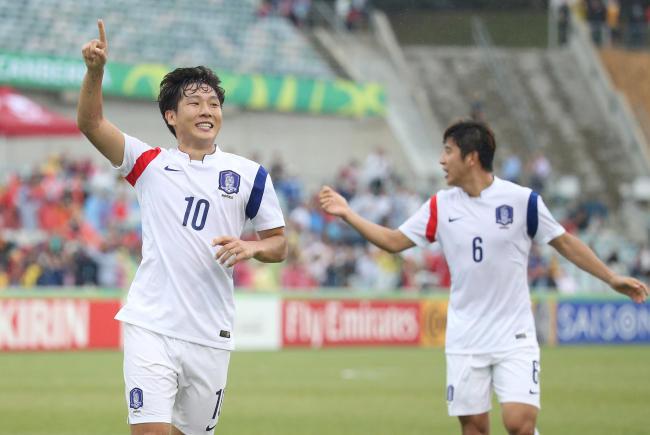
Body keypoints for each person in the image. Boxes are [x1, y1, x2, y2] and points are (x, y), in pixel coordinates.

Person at [320, 118, 648, 435]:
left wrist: (611, 278)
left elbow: (565, 242)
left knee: (519, 423)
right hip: (466, 337)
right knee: (474, 428)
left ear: (472, 157)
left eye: (448, 151)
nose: (442, 159)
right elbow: (393, 241)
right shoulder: (440, 206)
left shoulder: (522, 201)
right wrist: (348, 213)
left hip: (514, 334)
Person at [78, 20, 287, 435]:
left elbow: (279, 245)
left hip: (211, 333)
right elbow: (91, 124)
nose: (207, 110)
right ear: (171, 116)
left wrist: (251, 248)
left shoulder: (249, 174)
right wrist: (95, 72)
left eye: (213, 103)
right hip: (151, 324)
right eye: (194, 103)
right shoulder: (150, 163)